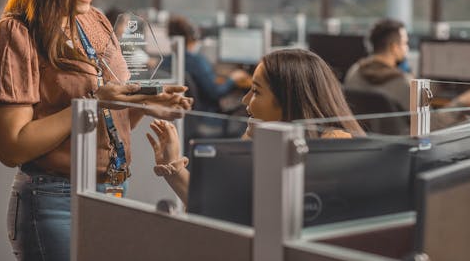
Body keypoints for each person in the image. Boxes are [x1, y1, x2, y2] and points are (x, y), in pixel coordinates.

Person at [0, 0, 190, 260]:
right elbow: (13, 147)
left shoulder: (96, 21)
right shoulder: (18, 32)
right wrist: (93, 103)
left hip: (113, 190)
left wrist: (147, 105)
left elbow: (112, 118)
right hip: (54, 198)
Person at [146, 49, 364, 206]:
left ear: (291, 101)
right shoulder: (267, 142)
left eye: (256, 91)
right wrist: (172, 167)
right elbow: (221, 207)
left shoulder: (333, 145)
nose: (245, 100)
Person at [344, 18, 470, 112]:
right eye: (405, 43)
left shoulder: (354, 72)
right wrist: (462, 101)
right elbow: (432, 124)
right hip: (407, 149)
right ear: (394, 47)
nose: (406, 48)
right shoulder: (401, 82)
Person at [167, 15, 251, 113]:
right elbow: (215, 92)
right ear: (193, 37)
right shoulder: (197, 61)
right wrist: (232, 79)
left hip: (186, 116)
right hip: (206, 115)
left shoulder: (166, 60)